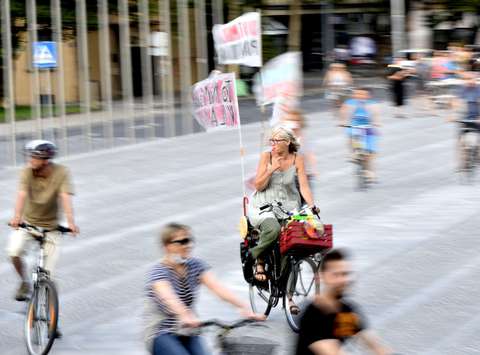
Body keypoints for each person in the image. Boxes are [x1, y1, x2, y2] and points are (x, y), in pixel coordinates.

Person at [144, 223, 263, 355]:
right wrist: (185, 315)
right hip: (161, 332)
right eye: (182, 242)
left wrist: (243, 307)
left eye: (189, 240)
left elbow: (218, 288)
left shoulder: (195, 265)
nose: (188, 245)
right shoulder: (158, 272)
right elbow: (168, 297)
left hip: (188, 329)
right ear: (167, 246)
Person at [7, 140, 79, 302]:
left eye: (33, 157)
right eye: (29, 156)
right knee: (14, 251)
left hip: (51, 228)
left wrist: (71, 222)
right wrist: (17, 217)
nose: (29, 160)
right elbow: (22, 194)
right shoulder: (26, 172)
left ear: (45, 160)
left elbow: (65, 196)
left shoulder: (62, 172)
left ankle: (52, 321)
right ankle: (24, 282)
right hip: (29, 225)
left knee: (49, 276)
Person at [249, 126, 318, 284]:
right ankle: (255, 256)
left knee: (292, 242)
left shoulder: (297, 159)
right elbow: (258, 186)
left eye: (276, 140)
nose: (272, 143)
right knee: (273, 229)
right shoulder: (266, 157)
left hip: (289, 206)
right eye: (271, 140)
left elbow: (304, 186)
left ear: (287, 142)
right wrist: (270, 170)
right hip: (264, 205)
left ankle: (288, 292)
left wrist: (312, 206)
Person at [295, 249, 392, 355]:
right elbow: (332, 352)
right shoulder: (312, 316)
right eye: (335, 275)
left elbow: (372, 342)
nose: (342, 280)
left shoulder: (346, 310)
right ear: (322, 276)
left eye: (345, 274)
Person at [339, 88, 380, 182]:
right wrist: (342, 121)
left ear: (368, 96)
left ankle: (369, 171)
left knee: (371, 151)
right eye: (357, 94)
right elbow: (343, 111)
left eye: (363, 94)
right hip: (355, 126)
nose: (360, 96)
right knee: (351, 134)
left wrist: (377, 122)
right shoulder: (350, 102)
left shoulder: (372, 104)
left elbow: (376, 114)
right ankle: (353, 153)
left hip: (368, 127)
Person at [451, 72, 480, 171]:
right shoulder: (462, 89)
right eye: (467, 79)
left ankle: (478, 154)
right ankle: (462, 163)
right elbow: (456, 102)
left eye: (471, 79)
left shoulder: (478, 89)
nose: (469, 81)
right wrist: (453, 115)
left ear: (475, 80)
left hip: (477, 118)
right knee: (460, 141)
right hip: (465, 118)